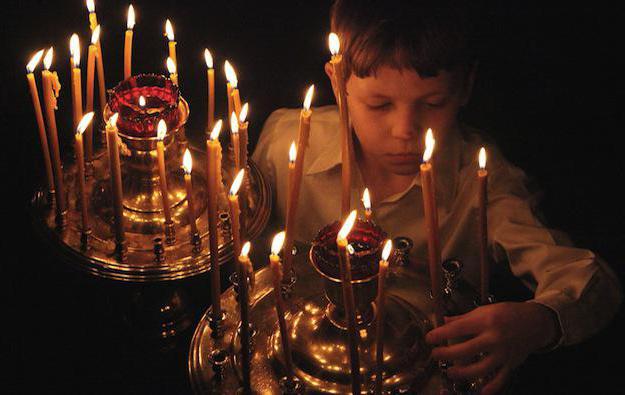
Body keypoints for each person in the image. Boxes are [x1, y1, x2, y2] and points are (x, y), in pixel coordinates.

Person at [252, 1, 622, 393]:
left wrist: (537, 323)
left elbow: (593, 282)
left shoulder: (483, 183)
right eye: (379, 104)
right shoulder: (287, 142)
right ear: (338, 82)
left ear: (465, 86)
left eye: (432, 103)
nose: (404, 130)